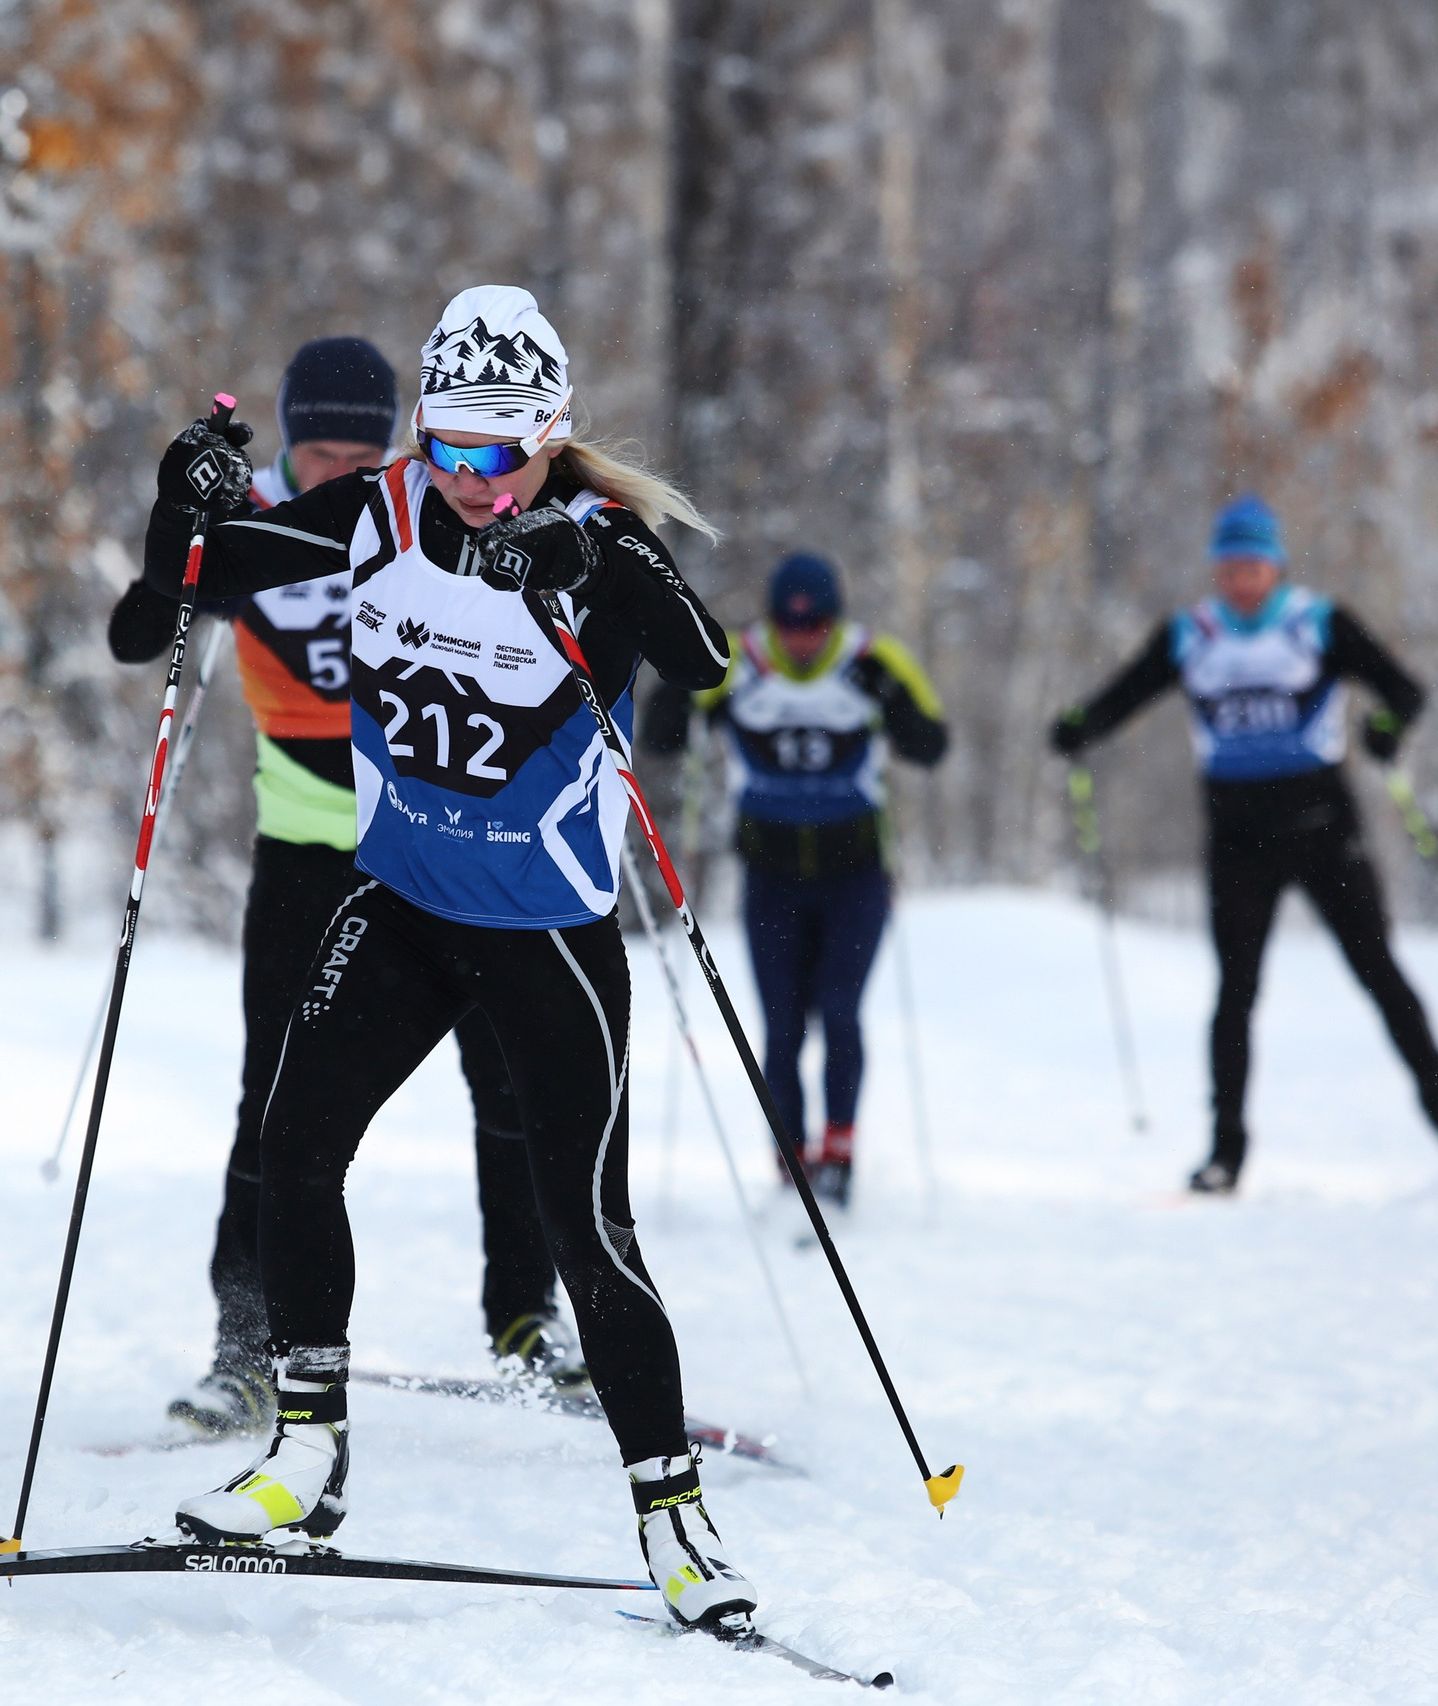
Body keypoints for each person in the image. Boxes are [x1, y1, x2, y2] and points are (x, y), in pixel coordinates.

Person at [136, 285, 759, 1630]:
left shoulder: (592, 535)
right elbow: (193, 581)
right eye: (452, 447)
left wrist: (603, 567)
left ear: (552, 439)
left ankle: (675, 1518)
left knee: (586, 1225)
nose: (474, 482)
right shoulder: (378, 511)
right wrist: (183, 492)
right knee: (292, 1146)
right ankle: (309, 1453)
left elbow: (705, 664)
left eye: (503, 454)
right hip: (402, 903)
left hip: (545, 937)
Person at [108, 337, 580, 1440]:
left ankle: (524, 1320)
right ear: (284, 439)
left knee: (511, 1084)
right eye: (318, 451)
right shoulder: (271, 517)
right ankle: (245, 1350)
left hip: (442, 840)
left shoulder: (422, 507)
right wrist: (180, 510)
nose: (339, 475)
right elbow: (142, 629)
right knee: (272, 1102)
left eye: (361, 453)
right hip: (307, 844)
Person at [1049, 494, 1438, 1194]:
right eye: (1228, 568)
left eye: (1253, 566)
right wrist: (1080, 725)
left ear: (1276, 566)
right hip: (1239, 839)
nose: (1240, 580)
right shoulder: (1191, 635)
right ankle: (1225, 1154)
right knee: (1235, 993)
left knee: (1378, 972)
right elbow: (1123, 697)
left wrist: (1385, 731)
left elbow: (1404, 691)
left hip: (1325, 829)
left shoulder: (1316, 624)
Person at [645, 552, 947, 1206]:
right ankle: (791, 1157)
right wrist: (681, 693)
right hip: (771, 875)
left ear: (834, 621)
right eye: (789, 625)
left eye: (815, 626)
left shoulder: (872, 658)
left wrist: (890, 699)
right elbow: (661, 739)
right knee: (782, 1026)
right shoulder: (735, 658)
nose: (803, 639)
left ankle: (839, 1150)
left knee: (840, 1012)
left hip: (855, 876)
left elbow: (931, 746)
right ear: (773, 620)